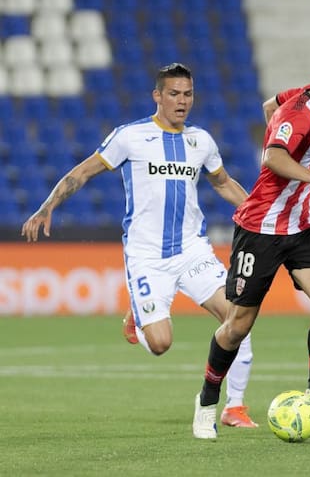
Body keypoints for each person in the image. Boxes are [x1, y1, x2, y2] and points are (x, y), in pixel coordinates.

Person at [21, 62, 258, 429]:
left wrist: (258, 215)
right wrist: (47, 206)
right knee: (161, 343)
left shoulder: (201, 141)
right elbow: (83, 171)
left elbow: (223, 182)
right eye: (174, 94)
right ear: (157, 96)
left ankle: (234, 407)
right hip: (147, 256)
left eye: (188, 94)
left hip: (192, 250)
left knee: (238, 319)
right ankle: (140, 316)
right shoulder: (130, 136)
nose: (182, 101)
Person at [191, 36, 310, 439]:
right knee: (237, 325)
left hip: (303, 225)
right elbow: (273, 156)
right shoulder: (301, 114)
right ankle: (206, 400)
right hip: (261, 227)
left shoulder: (306, 99)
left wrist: (300, 170)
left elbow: (268, 108)